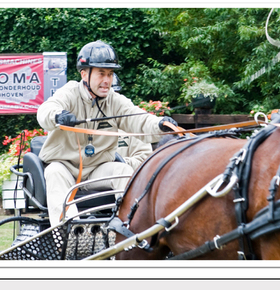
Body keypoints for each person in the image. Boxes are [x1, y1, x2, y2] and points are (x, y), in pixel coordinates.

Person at [37, 40, 177, 226]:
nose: (107, 80)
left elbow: (139, 118)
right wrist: (58, 116)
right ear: (84, 74)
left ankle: (130, 229)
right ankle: (69, 235)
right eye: (101, 73)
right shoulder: (70, 92)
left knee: (123, 171)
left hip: (97, 168)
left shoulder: (115, 100)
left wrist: (161, 124)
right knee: (53, 171)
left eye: (110, 74)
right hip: (65, 166)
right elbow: (45, 110)